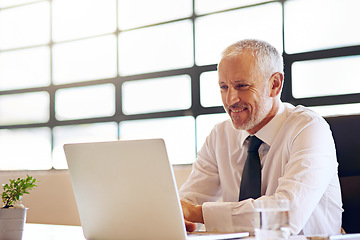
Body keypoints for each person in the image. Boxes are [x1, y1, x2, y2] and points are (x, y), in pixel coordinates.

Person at [179, 39, 343, 236]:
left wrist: (196, 213)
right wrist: (178, 215)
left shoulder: (309, 128)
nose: (230, 99)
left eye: (241, 86)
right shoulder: (219, 136)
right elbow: (186, 204)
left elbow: (286, 214)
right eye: (223, 87)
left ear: (275, 84)